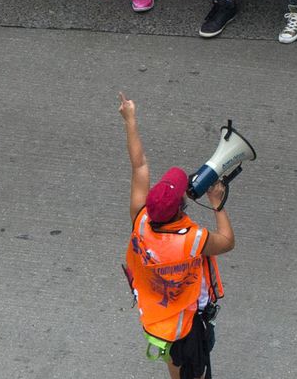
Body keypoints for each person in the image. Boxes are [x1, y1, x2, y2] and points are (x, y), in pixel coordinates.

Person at [120, 93, 232, 379]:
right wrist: (218, 204)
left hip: (159, 320)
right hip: (188, 323)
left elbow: (139, 165)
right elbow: (227, 241)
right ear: (180, 207)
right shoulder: (193, 239)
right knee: (196, 370)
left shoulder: (141, 219)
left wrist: (130, 119)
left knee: (175, 362)